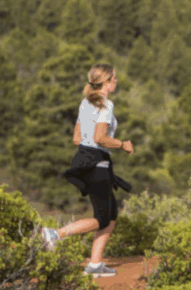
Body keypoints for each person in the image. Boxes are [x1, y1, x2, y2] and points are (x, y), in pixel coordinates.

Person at [40, 63, 134, 278]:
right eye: (115, 79)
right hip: (97, 164)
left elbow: (77, 138)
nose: (117, 82)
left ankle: (95, 264)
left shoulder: (85, 103)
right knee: (102, 217)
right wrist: (122, 144)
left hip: (86, 161)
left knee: (110, 215)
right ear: (107, 82)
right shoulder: (105, 104)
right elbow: (100, 138)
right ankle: (55, 234)